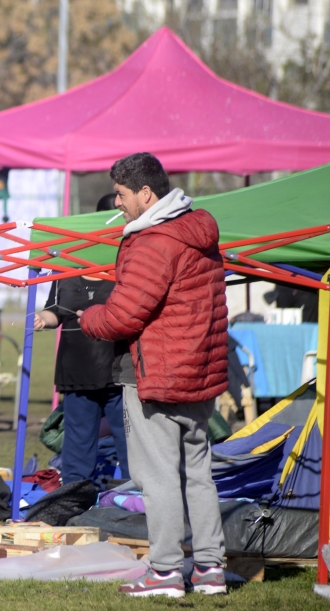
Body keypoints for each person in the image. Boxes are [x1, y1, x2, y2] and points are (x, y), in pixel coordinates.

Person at [80, 152, 228, 598]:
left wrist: (89, 317)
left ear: (146, 194)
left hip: (156, 375)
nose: (117, 205)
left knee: (158, 476)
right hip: (197, 372)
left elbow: (125, 315)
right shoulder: (196, 231)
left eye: (122, 195)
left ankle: (164, 570)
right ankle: (209, 569)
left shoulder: (153, 240)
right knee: (198, 473)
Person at [34, 193, 129, 485]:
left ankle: (133, 496)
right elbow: (55, 312)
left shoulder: (125, 264)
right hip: (76, 370)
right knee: (77, 445)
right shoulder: (67, 266)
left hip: (118, 371)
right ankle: (75, 497)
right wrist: (43, 320)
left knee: (129, 443)